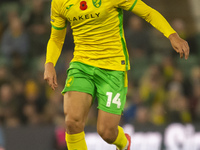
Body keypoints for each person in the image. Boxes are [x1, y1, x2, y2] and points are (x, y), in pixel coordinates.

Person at [44, 0, 190, 150]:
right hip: (82, 65)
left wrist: (172, 35)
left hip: (112, 68)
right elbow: (56, 38)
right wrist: (49, 63)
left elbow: (148, 12)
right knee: (72, 122)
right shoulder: (59, 2)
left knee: (106, 132)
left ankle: (124, 143)